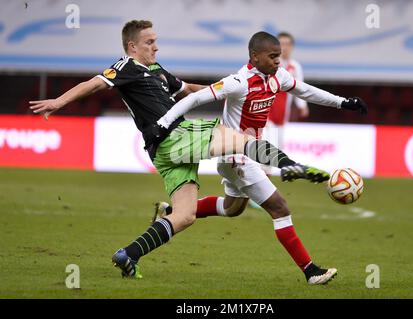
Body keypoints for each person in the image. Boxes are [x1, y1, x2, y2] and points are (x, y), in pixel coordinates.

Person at [29, 21, 332, 280]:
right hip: (174, 138)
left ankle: (128, 254)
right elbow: (94, 84)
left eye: (156, 42)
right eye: (149, 42)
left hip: (166, 152)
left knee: (185, 215)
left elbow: (187, 88)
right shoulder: (126, 67)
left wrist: (227, 90)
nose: (155, 48)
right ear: (132, 46)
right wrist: (58, 102)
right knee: (239, 138)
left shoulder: (157, 70)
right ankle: (291, 166)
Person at [154, 31, 368, 285]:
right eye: (273, 56)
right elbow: (197, 97)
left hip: (251, 152)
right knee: (280, 208)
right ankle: (311, 271)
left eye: (279, 56)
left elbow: (307, 91)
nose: (279, 61)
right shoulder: (238, 82)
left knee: (232, 208)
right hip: (236, 154)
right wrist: (164, 122)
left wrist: (343, 103)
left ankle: (170, 212)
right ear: (255, 56)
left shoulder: (278, 76)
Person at [264, 31, 309, 151]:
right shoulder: (268, 64)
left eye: (287, 44)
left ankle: (271, 169)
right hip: (266, 111)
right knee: (268, 145)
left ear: (292, 46)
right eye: (281, 44)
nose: (285, 47)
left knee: (279, 147)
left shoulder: (295, 67)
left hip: (283, 113)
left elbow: (299, 88)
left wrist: (302, 105)